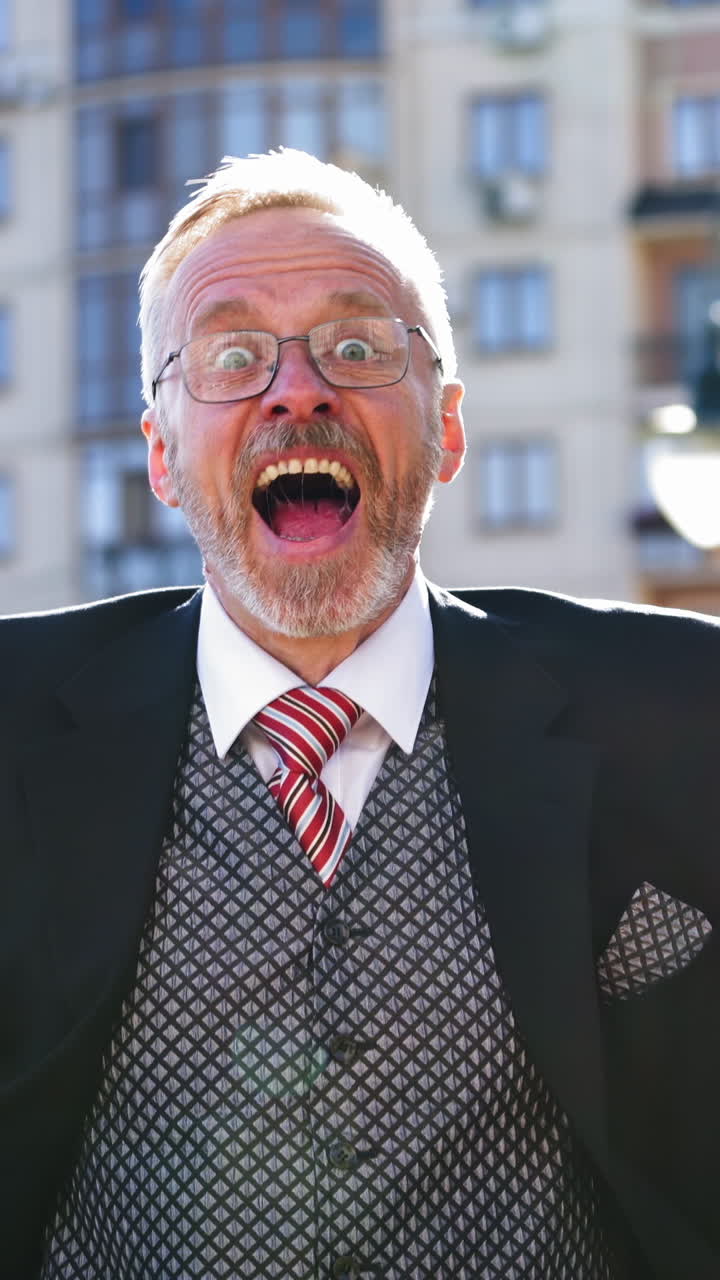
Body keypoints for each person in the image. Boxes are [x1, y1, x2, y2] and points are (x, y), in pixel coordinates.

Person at [2, 149, 719, 1280]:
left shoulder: (687, 708)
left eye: (357, 345)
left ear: (448, 428)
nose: (298, 388)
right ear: (161, 454)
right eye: (234, 355)